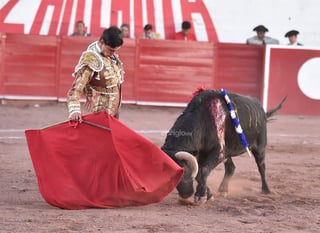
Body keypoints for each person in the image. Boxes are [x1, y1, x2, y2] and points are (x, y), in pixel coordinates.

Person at [67, 26, 124, 121]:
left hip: (114, 110)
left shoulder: (110, 55)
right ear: (101, 42)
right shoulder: (91, 59)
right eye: (110, 50)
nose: (112, 53)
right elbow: (75, 89)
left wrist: (89, 94)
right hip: (103, 111)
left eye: (115, 51)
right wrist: (74, 109)